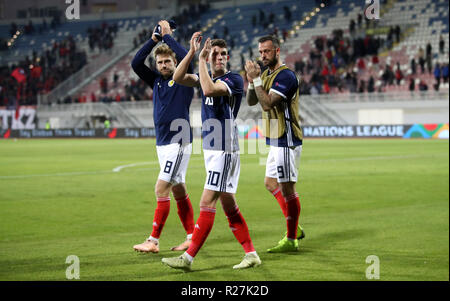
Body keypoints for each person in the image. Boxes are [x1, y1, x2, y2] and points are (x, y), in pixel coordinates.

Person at [161, 32, 261, 271]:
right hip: (212, 149)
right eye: (215, 54)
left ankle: (188, 258)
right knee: (229, 206)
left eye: (223, 54)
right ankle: (251, 254)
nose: (219, 58)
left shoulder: (234, 80)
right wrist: (194, 53)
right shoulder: (204, 74)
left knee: (207, 202)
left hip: (224, 149)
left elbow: (208, 90)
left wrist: (202, 62)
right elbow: (176, 77)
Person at [131, 20, 196, 253]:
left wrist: (168, 37)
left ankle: (153, 241)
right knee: (178, 188)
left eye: (168, 61)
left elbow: (187, 55)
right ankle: (191, 236)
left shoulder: (183, 78)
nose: (164, 64)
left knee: (161, 189)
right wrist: (154, 40)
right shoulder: (156, 80)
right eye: (160, 62)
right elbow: (136, 62)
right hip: (162, 143)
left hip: (178, 142)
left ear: (175, 62)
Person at [245, 35, 305, 253]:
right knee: (271, 183)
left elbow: (268, 104)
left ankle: (291, 238)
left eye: (267, 51)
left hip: (286, 139)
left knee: (288, 189)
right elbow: (252, 101)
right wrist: (252, 81)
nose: (262, 56)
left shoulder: (286, 76)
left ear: (277, 51)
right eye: (260, 52)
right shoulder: (265, 74)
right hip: (274, 138)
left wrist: (257, 80)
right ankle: (294, 227)